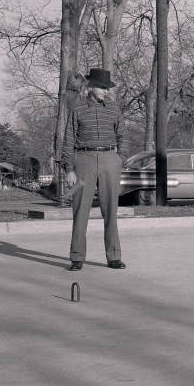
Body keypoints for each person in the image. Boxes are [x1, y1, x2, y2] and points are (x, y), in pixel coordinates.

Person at [61, 68, 129, 271]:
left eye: (107, 88)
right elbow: (69, 140)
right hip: (83, 161)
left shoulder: (114, 109)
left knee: (111, 211)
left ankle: (114, 256)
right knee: (80, 210)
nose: (105, 91)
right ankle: (77, 257)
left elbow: (123, 136)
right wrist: (69, 169)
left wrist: (120, 160)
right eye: (101, 87)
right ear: (90, 86)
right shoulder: (78, 108)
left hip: (110, 161)